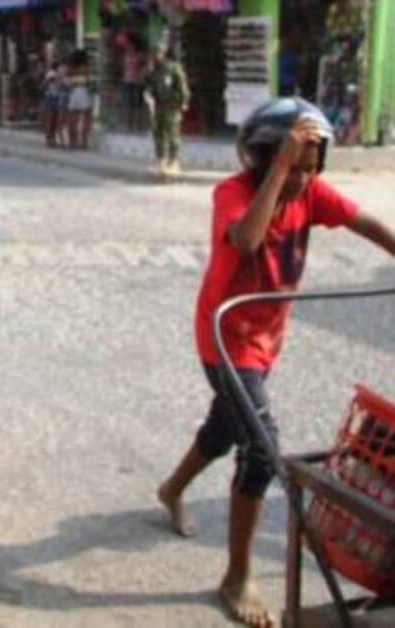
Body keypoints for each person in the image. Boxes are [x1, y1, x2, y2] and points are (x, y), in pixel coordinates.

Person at [156, 98, 395, 628]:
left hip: (265, 340)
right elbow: (246, 240)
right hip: (225, 339)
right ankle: (236, 577)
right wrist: (282, 170)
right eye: (291, 166)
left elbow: (366, 222)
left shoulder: (310, 192)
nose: (302, 180)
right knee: (262, 451)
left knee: (225, 427)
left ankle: (171, 489)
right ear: (261, 159)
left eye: (311, 168)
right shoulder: (233, 193)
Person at [143, 46, 190, 178]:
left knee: (172, 134)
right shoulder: (154, 70)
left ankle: (174, 162)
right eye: (153, 54)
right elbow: (149, 85)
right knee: (158, 134)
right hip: (158, 105)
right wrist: (148, 95)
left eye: (157, 53)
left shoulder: (173, 68)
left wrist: (184, 102)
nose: (155, 56)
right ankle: (161, 161)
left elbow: (182, 87)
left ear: (163, 54)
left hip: (172, 106)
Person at [65, 48, 93, 150]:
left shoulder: (71, 68)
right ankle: (84, 142)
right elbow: (87, 81)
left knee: (73, 118)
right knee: (86, 119)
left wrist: (73, 81)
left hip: (73, 93)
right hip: (83, 91)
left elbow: (67, 81)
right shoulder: (85, 67)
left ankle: (72, 141)